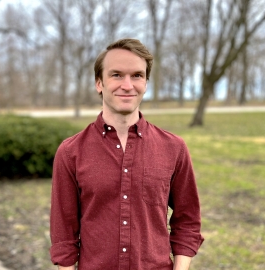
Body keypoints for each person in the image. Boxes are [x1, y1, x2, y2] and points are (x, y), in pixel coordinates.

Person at [49, 38, 204, 270]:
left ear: (146, 83)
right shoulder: (71, 152)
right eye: (117, 75)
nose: (128, 85)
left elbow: (188, 221)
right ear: (99, 83)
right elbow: (64, 235)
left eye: (137, 76)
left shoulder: (174, 148)